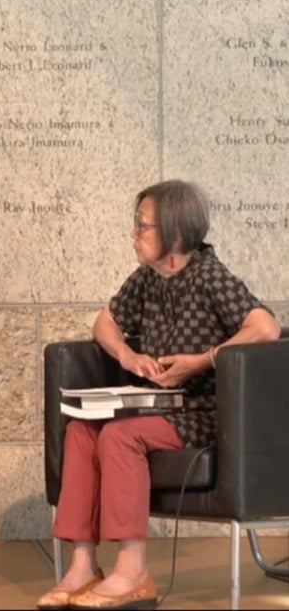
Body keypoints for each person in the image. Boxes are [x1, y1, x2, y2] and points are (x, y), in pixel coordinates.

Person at [38, 180, 281, 610]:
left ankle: (133, 573)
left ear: (172, 232)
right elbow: (104, 323)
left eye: (142, 226)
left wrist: (202, 359)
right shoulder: (147, 278)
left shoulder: (209, 276)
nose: (134, 233)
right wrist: (128, 356)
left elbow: (265, 327)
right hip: (153, 407)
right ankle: (82, 566)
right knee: (81, 430)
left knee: (119, 436)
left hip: (201, 413)